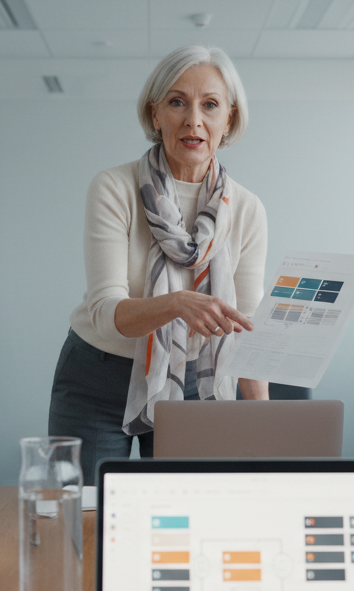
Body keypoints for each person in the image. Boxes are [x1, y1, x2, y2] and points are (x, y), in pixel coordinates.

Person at [49, 45, 270, 484]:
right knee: (84, 514)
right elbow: (107, 315)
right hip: (99, 375)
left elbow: (244, 333)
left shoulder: (247, 210)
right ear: (155, 115)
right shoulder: (114, 187)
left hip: (191, 382)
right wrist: (177, 304)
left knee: (182, 518)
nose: (193, 120)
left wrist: (263, 429)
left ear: (229, 119)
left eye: (210, 105)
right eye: (176, 102)